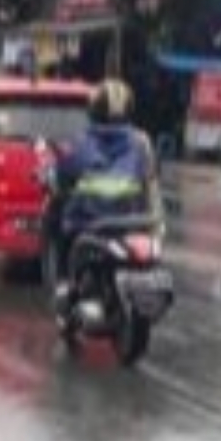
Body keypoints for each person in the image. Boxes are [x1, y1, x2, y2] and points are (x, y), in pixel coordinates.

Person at [49, 80, 161, 312]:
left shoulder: (80, 142)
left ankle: (64, 284)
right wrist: (154, 223)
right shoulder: (141, 142)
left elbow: (62, 175)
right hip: (133, 221)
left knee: (60, 226)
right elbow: (150, 180)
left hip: (88, 222)